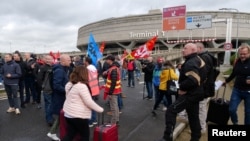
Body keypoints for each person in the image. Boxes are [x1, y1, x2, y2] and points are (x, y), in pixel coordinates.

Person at [158, 43, 206, 141]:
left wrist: (182, 88)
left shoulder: (191, 62)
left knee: (171, 110)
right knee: (193, 117)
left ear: (193, 50)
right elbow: (203, 76)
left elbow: (193, 79)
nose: (182, 50)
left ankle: (167, 137)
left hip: (190, 94)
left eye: (185, 48)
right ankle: (195, 137)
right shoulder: (197, 59)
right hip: (196, 93)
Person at [62, 66, 103, 141]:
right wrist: (100, 109)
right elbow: (89, 102)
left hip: (68, 113)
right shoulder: (81, 86)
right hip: (78, 116)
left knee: (70, 134)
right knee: (85, 136)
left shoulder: (69, 84)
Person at [223, 43, 250, 125]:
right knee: (231, 109)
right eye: (241, 54)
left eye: (244, 54)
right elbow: (234, 73)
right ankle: (235, 122)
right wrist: (226, 81)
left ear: (249, 53)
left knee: (248, 113)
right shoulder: (237, 61)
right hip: (237, 90)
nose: (242, 56)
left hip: (249, 92)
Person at [47, 54, 72, 141]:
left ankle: (52, 132)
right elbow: (56, 86)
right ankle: (58, 133)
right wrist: (68, 90)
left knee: (61, 116)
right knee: (62, 115)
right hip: (60, 98)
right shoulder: (59, 71)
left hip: (60, 97)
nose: (70, 61)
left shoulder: (62, 69)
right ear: (63, 61)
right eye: (69, 60)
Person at [103, 54, 121, 125]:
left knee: (113, 107)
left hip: (113, 91)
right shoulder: (114, 68)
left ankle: (113, 122)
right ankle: (116, 120)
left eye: (107, 59)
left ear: (110, 60)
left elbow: (113, 82)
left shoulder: (113, 69)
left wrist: (110, 93)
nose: (106, 60)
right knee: (115, 106)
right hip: (115, 90)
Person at [37, 55, 54, 126]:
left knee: (49, 104)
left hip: (52, 89)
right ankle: (49, 119)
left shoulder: (53, 67)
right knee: (49, 104)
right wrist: (43, 87)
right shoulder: (43, 67)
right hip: (47, 89)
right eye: (47, 59)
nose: (48, 60)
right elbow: (39, 79)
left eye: (49, 59)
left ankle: (50, 117)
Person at [84, 57, 100, 127]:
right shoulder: (94, 68)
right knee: (92, 104)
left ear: (86, 61)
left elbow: (85, 79)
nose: (83, 62)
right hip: (95, 89)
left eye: (84, 61)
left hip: (89, 89)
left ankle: (90, 121)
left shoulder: (87, 69)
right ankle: (94, 120)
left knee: (88, 106)